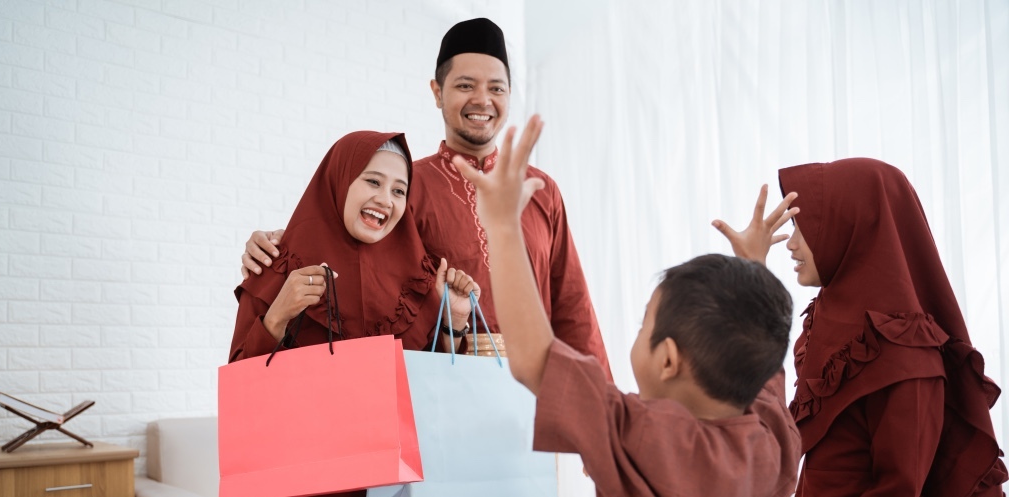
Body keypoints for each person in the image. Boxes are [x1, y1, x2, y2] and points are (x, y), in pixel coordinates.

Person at [239, 18, 612, 378]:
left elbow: (573, 306)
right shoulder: (407, 187)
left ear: (510, 95)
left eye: (497, 88)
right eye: (466, 85)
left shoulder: (541, 190)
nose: (483, 100)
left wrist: (603, 414)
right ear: (437, 92)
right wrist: (278, 249)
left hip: (539, 392)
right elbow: (350, 253)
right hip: (445, 387)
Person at [451, 114, 801, 496]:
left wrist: (502, 225)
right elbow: (761, 354)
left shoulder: (641, 434)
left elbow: (536, 360)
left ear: (668, 359)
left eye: (643, 323)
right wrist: (754, 267)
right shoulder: (773, 437)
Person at [713, 158, 1008, 496]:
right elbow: (779, 421)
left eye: (802, 227)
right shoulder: (832, 325)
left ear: (852, 224)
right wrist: (754, 271)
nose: (791, 244)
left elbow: (899, 488)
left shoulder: (905, 357)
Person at [231, 131, 479, 370]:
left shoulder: (421, 283)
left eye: (399, 191)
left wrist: (454, 322)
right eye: (373, 181)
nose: (385, 200)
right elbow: (240, 389)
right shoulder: (273, 265)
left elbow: (437, 387)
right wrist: (277, 317)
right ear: (339, 180)